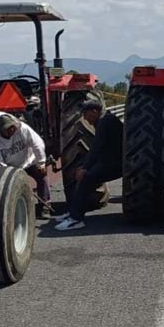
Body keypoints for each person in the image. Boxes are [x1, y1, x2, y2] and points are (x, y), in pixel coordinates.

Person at [54, 99, 123, 231]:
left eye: (86, 114)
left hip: (118, 164)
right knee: (82, 173)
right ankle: (73, 212)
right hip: (111, 160)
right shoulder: (105, 119)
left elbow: (96, 148)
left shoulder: (104, 122)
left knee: (86, 177)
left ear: (95, 111)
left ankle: (76, 219)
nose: (85, 118)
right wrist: (85, 167)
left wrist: (85, 168)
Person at [0, 111, 50, 218]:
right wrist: (9, 176)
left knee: (42, 176)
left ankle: (45, 206)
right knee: (7, 186)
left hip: (29, 160)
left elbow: (37, 144)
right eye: (8, 129)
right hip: (10, 168)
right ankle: (14, 211)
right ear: (0, 131)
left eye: (12, 127)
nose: (12, 130)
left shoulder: (22, 128)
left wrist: (41, 162)